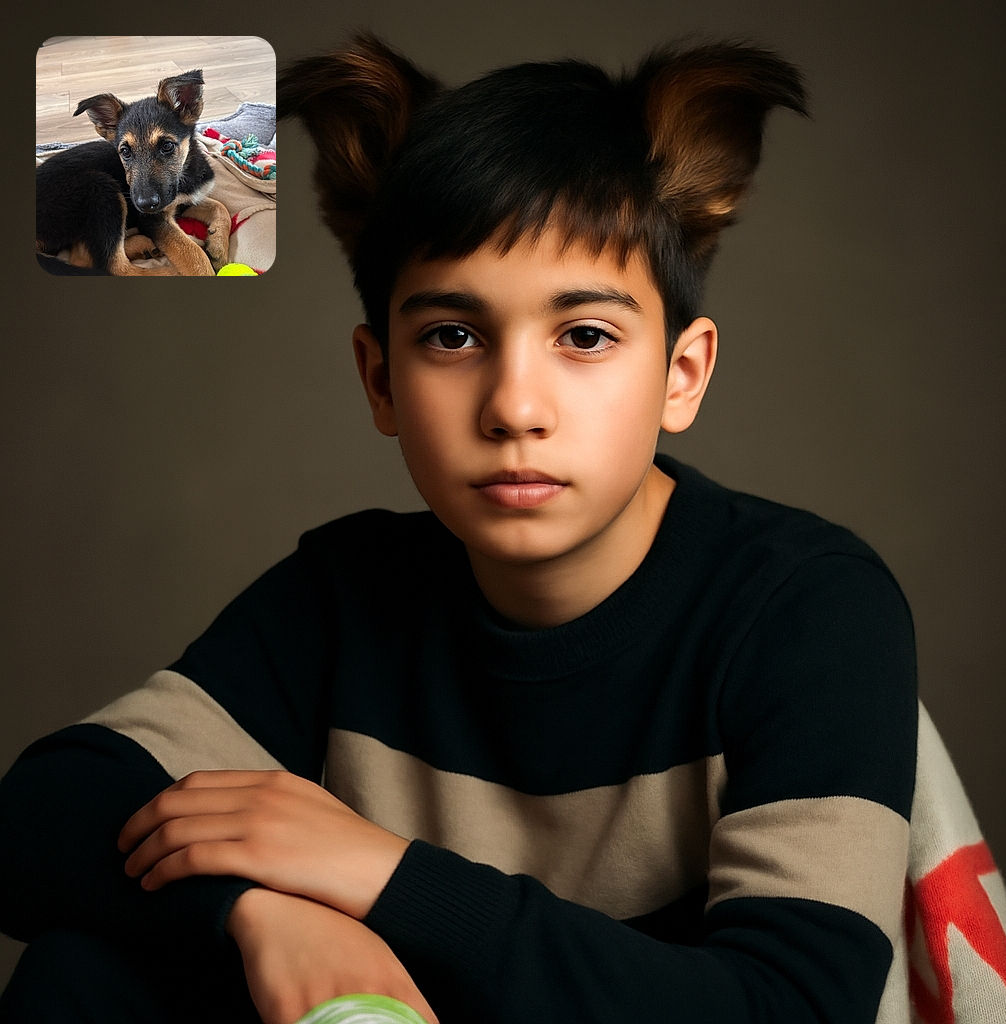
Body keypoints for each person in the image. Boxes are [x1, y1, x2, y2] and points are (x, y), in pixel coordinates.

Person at [0, 35, 920, 1024]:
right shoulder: (349, 595)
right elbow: (38, 819)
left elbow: (792, 1008)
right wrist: (259, 911)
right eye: (453, 336)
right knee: (84, 969)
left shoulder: (806, 608)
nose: (514, 407)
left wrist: (385, 876)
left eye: (584, 336)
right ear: (380, 379)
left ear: (681, 375)